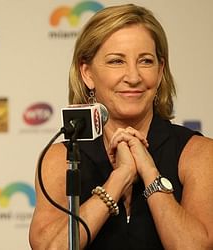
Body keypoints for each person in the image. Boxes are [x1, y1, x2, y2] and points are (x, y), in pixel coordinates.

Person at [29, 4, 213, 250]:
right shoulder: (62, 157)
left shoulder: (198, 152)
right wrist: (120, 178)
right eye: (117, 61)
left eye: (145, 61)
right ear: (87, 73)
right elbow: (51, 248)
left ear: (160, 72)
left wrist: (149, 172)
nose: (133, 77)